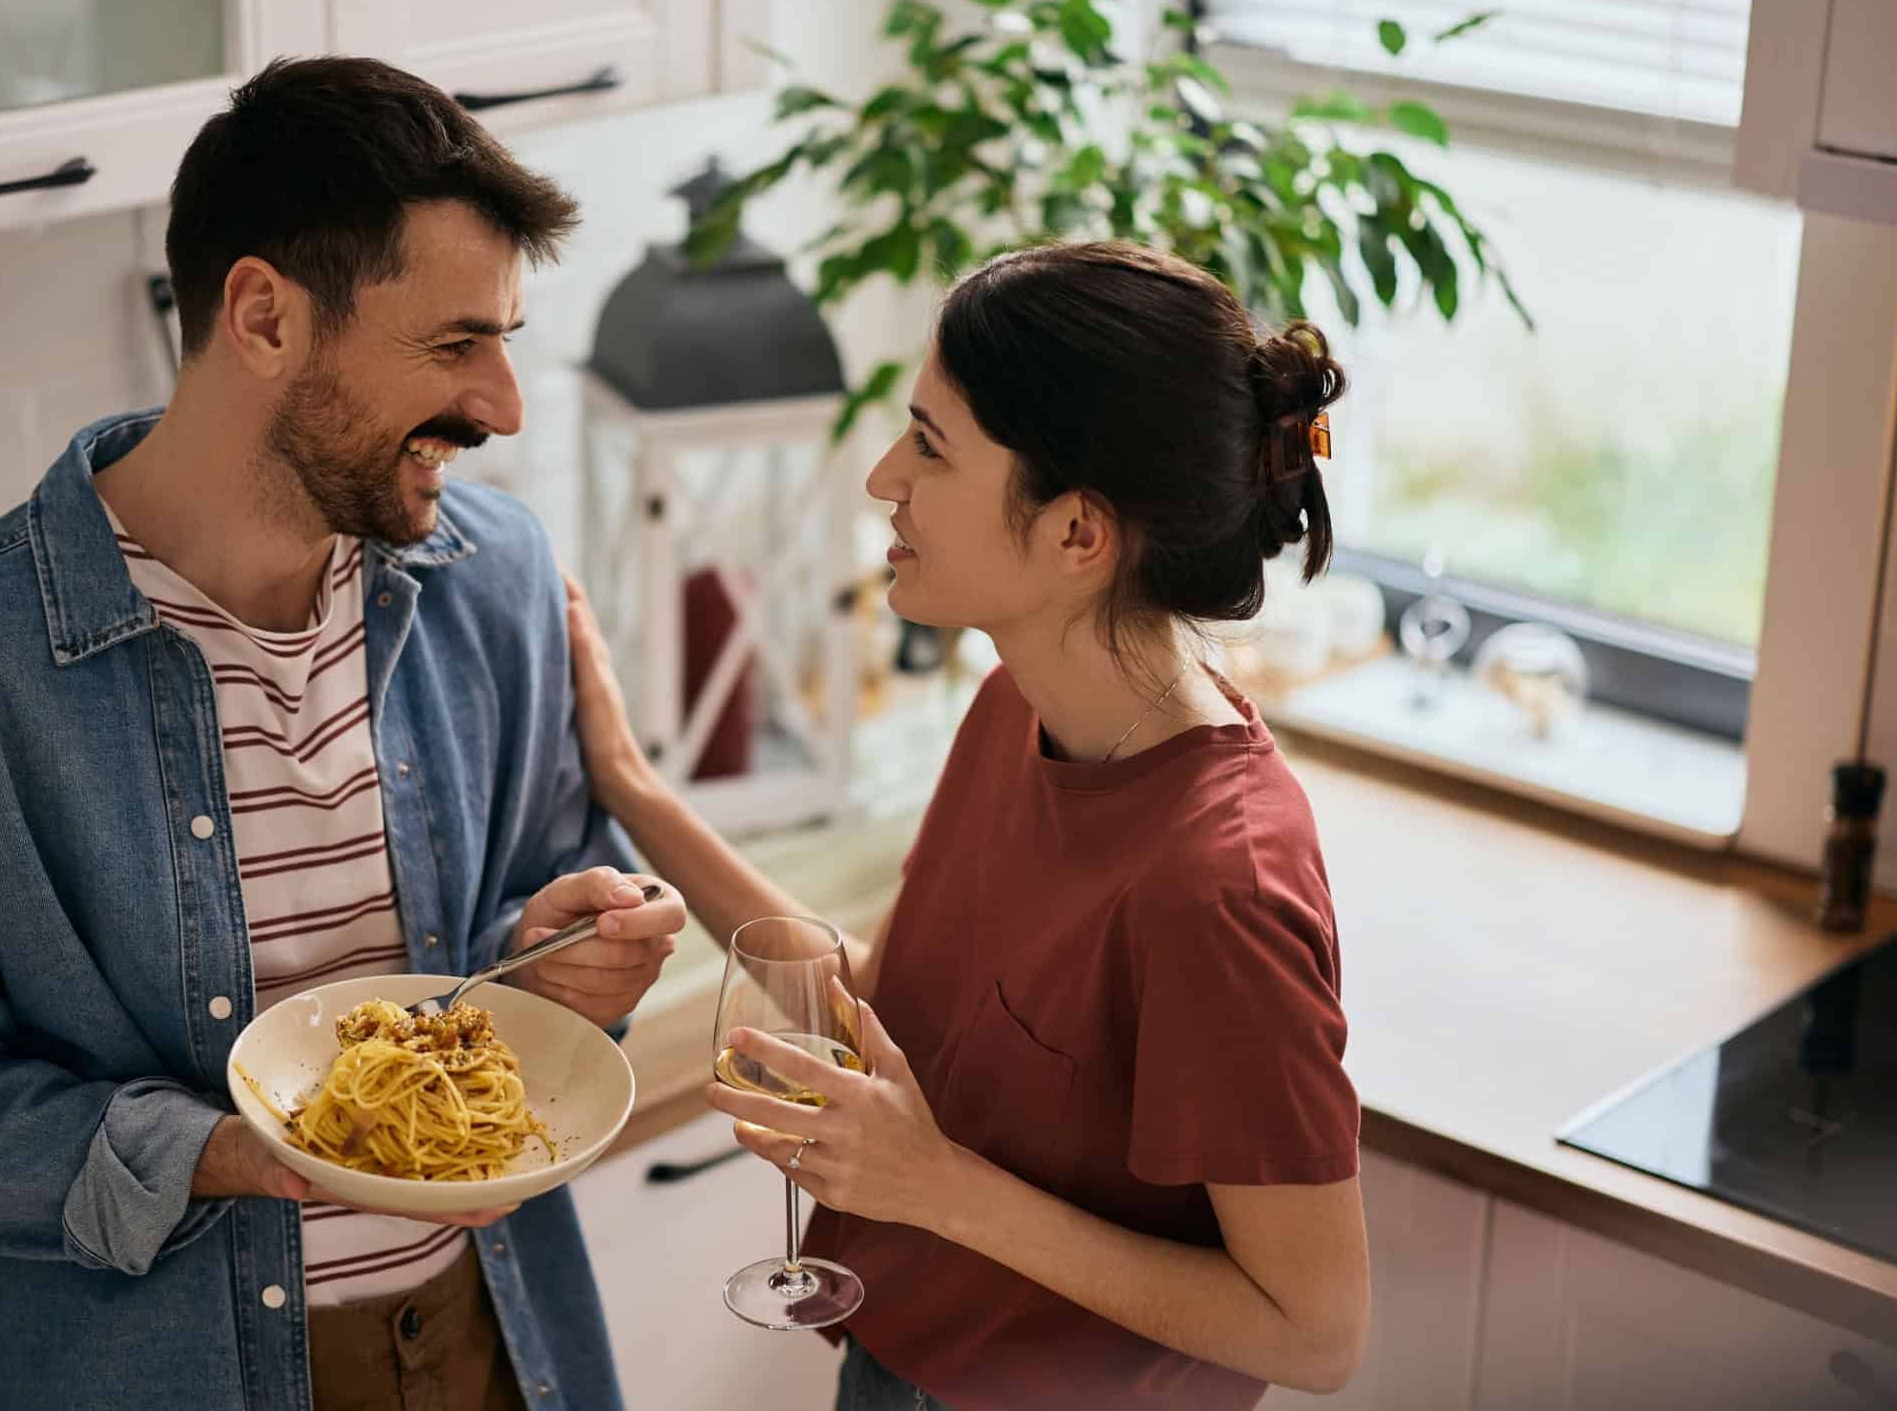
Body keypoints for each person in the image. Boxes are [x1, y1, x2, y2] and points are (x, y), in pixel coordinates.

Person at [0, 57, 685, 1411]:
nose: (502, 405)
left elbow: (520, 918)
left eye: (503, 339)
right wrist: (209, 1151)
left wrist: (549, 960)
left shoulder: (495, 581)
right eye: (454, 345)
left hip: (486, 1344)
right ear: (263, 316)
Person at [564, 240, 1371, 1409]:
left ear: (1076, 535)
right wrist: (633, 788)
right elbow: (891, 1015)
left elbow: (1315, 1333)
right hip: (900, 1372)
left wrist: (932, 1185)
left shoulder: (1215, 883)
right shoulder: (1016, 710)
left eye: (932, 447)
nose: (882, 476)